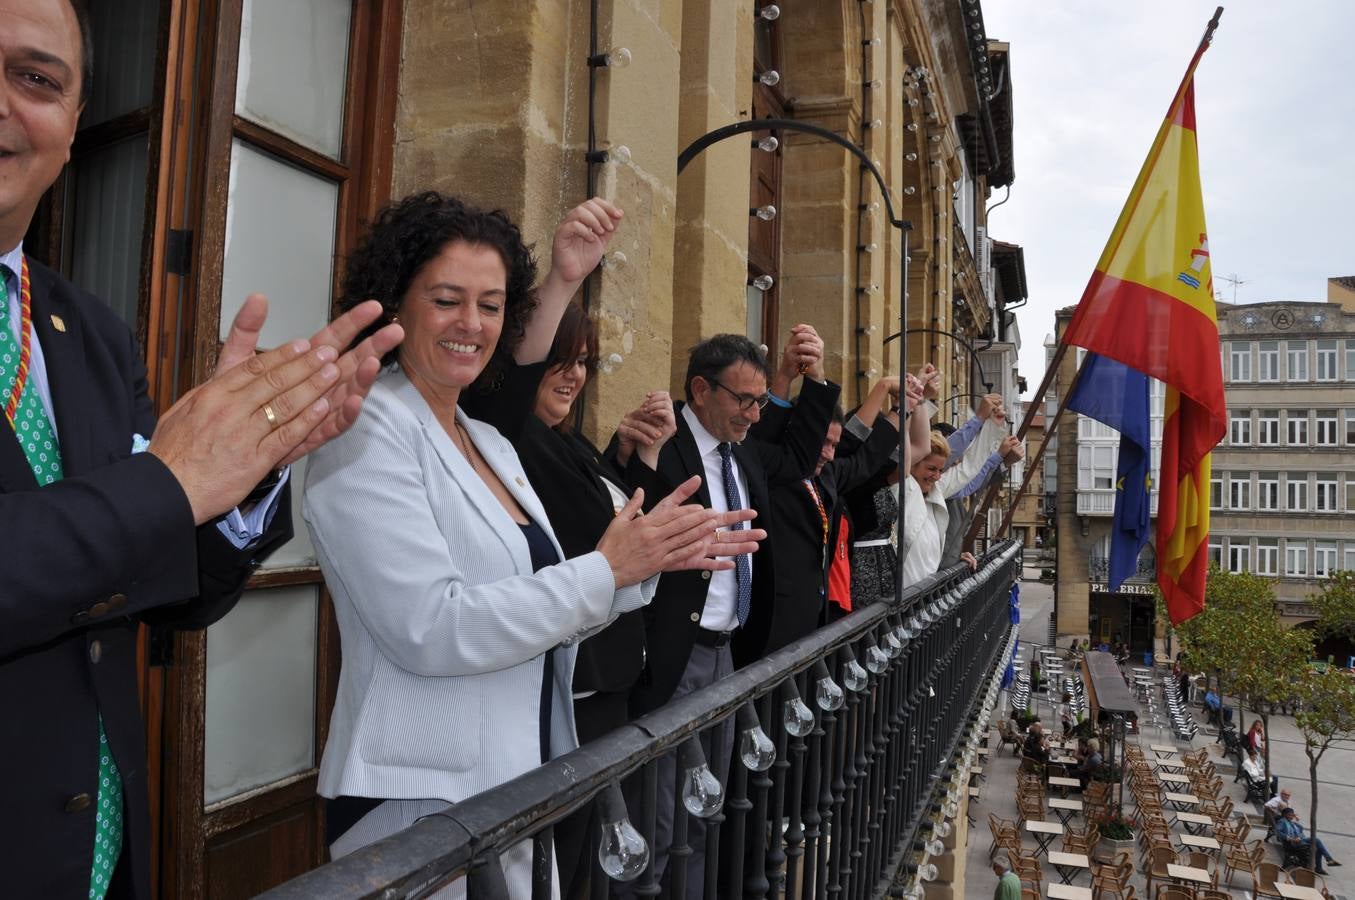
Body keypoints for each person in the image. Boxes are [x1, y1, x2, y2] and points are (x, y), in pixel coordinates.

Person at [0, 2, 405, 897]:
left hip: (104, 861)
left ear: (72, 128)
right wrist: (170, 478)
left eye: (36, 78)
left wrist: (253, 467)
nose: (5, 102)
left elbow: (163, 589)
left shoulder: (90, 332)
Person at [300, 193, 764, 893]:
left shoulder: (484, 438)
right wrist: (606, 569)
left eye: (489, 305)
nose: (471, 324)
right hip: (420, 799)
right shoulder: (363, 431)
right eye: (447, 299)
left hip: (522, 785)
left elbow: (550, 602)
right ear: (394, 303)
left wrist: (644, 563)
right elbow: (432, 626)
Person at [615, 329, 838, 899]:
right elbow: (622, 515)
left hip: (729, 657)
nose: (753, 414)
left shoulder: (743, 451)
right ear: (700, 390)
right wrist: (628, 453)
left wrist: (811, 380)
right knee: (659, 821)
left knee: (703, 812)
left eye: (761, 401)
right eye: (743, 400)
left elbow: (799, 458)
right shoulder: (662, 444)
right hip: (671, 660)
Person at [756, 372, 902, 650]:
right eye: (823, 442)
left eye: (833, 445)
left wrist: (900, 409)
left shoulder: (827, 476)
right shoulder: (774, 474)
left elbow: (865, 458)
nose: (829, 453)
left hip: (815, 622)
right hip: (773, 628)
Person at [1275, 807, 1340, 874]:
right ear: (1285, 815)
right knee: (1316, 840)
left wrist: (1295, 821)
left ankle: (1321, 866)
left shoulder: (1290, 822)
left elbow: (1301, 828)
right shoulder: (1282, 821)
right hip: (1293, 843)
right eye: (1289, 815)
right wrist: (1291, 838)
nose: (1291, 816)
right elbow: (1277, 831)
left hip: (1299, 840)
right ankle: (1325, 862)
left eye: (1292, 815)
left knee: (1318, 846)